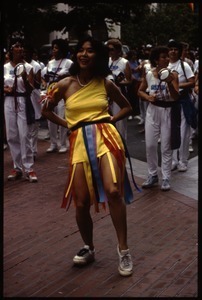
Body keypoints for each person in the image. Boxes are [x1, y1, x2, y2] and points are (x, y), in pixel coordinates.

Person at [42, 36, 135, 277]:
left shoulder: (105, 83)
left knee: (113, 190)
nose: (84, 54)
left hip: (106, 137)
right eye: (81, 50)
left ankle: (123, 249)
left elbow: (127, 107)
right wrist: (69, 125)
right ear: (76, 55)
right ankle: (89, 247)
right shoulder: (64, 84)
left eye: (90, 51)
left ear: (98, 56)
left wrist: (109, 121)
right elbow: (46, 110)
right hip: (79, 142)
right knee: (81, 202)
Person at [138, 46, 179, 191]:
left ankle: (166, 177)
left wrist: (169, 82)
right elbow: (140, 91)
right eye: (163, 57)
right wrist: (148, 97)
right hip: (152, 110)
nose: (167, 59)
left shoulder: (173, 74)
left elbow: (175, 97)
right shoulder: (149, 74)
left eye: (167, 56)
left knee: (166, 146)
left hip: (167, 110)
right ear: (156, 59)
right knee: (150, 145)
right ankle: (152, 174)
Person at [4, 38, 38, 182]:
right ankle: (17, 167)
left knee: (25, 135)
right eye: (16, 46)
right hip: (10, 100)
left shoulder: (28, 67)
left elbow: (31, 89)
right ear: (11, 49)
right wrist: (7, 89)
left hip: (23, 100)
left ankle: (29, 168)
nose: (20, 49)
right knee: (12, 135)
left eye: (21, 46)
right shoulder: (5, 67)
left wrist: (24, 79)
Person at [167, 40, 195, 172]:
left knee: (184, 132)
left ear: (179, 51)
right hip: (169, 102)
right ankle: (173, 160)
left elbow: (191, 82)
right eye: (171, 49)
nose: (173, 51)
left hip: (183, 101)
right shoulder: (164, 65)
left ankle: (183, 161)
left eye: (175, 49)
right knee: (171, 131)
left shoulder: (184, 65)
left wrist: (177, 86)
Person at [41, 39, 73, 153]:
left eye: (56, 48)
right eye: (53, 48)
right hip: (51, 93)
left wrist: (63, 76)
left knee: (62, 117)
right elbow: (44, 78)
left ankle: (63, 143)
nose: (54, 50)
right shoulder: (50, 63)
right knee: (51, 119)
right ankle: (53, 143)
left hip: (63, 94)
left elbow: (72, 76)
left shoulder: (68, 62)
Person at [106, 38, 132, 141]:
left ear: (118, 50)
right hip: (107, 93)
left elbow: (129, 80)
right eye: (108, 49)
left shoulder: (124, 62)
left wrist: (118, 82)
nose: (110, 52)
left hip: (118, 92)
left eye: (112, 49)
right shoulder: (106, 61)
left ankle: (122, 145)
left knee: (120, 122)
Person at [23, 43, 42, 160]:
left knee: (34, 123)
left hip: (34, 95)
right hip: (24, 96)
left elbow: (39, 84)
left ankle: (34, 151)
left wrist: (32, 78)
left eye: (26, 51)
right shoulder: (21, 65)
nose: (24, 54)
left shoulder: (35, 66)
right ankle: (27, 150)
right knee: (26, 124)